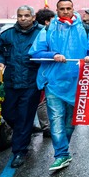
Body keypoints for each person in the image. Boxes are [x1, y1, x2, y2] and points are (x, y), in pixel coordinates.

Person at [29, 0, 89, 172]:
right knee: (56, 119)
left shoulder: (86, 29)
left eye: (68, 8)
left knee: (70, 121)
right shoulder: (48, 29)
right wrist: (53, 55)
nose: (65, 11)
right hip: (54, 83)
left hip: (77, 82)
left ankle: (63, 150)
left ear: (73, 9)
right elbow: (36, 53)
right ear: (57, 10)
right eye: (62, 9)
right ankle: (60, 154)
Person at [0, 5, 44, 168]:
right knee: (8, 113)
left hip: (31, 82)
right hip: (10, 82)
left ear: (33, 17)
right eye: (20, 15)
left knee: (24, 115)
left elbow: (50, 51)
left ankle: (19, 151)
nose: (23, 18)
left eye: (27, 15)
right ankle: (25, 132)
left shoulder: (43, 33)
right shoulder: (7, 35)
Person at [33, 8, 56, 138]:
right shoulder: (42, 33)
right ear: (47, 21)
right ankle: (47, 127)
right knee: (42, 101)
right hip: (41, 72)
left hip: (43, 72)